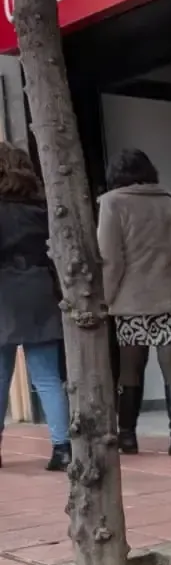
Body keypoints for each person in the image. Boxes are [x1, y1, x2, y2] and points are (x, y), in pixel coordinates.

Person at [96, 148, 171, 458]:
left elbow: (111, 259)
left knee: (130, 370)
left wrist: (105, 300)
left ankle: (128, 436)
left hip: (133, 302)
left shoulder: (112, 203)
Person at [0, 143, 70, 471]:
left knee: (0, 376)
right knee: (47, 377)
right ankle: (62, 448)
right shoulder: (43, 208)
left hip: (3, 290)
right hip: (40, 287)